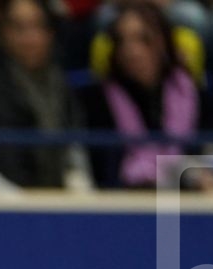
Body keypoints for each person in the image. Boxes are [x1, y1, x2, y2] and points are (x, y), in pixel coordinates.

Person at [0, 0, 96, 192]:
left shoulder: (60, 84)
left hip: (53, 205)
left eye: (38, 26)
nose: (30, 38)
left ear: (51, 33)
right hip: (0, 207)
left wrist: (81, 194)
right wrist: (18, 202)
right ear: (2, 33)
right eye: (19, 28)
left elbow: (74, 157)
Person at [82, 1, 205, 188]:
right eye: (122, 41)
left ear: (164, 41)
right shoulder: (97, 101)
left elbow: (208, 156)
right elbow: (102, 172)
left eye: (143, 39)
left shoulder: (192, 94)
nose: (132, 51)